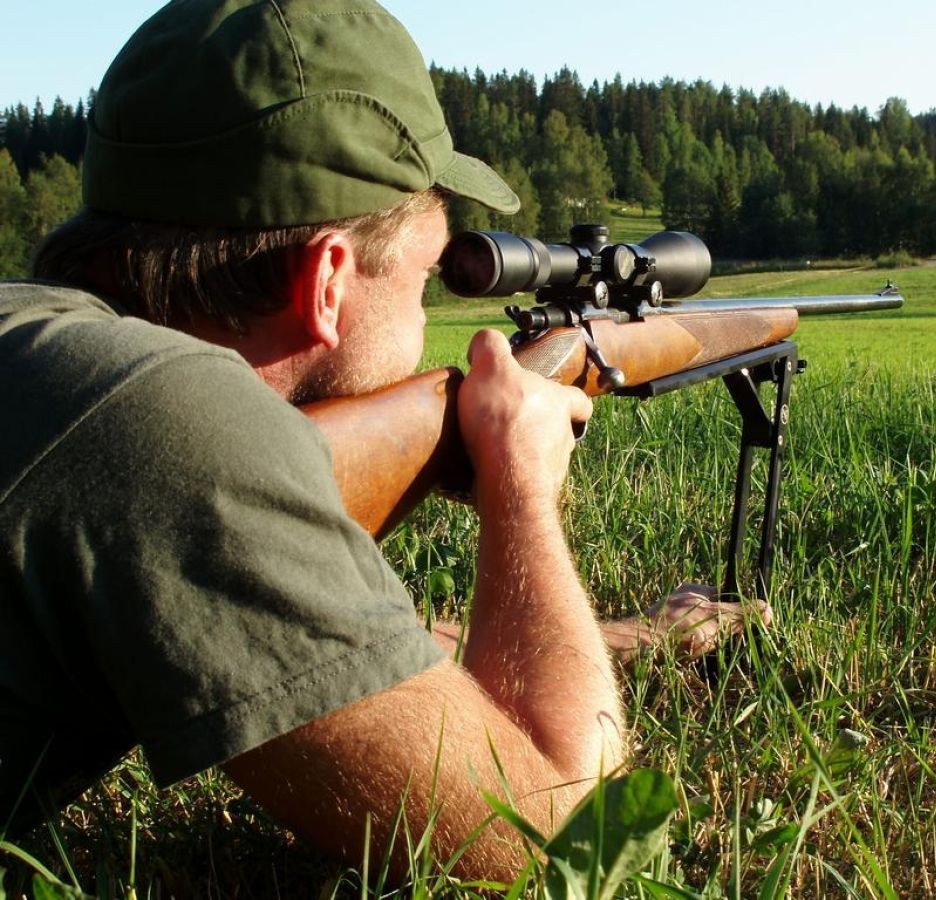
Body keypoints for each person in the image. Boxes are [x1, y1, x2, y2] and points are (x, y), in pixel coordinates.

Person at [0, 0, 768, 882]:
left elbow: (335, 649)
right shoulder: (172, 426)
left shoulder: (49, 357)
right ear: (328, 280)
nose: (426, 319)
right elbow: (563, 838)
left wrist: (639, 637)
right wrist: (520, 483)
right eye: (427, 278)